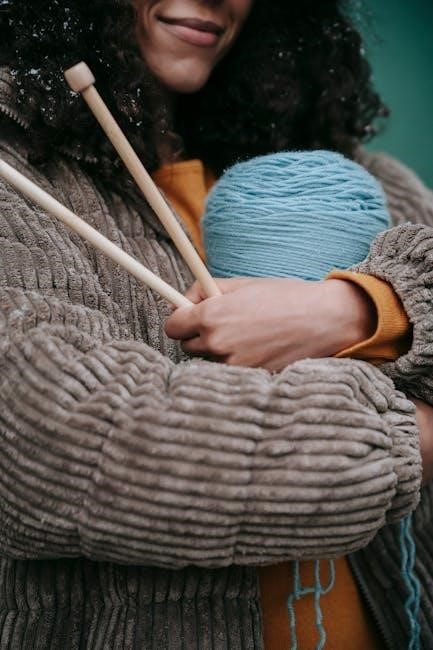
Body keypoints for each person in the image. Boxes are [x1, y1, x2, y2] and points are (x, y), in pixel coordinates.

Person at [0, 2, 432, 649]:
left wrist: (358, 309)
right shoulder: (15, 175)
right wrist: (417, 437)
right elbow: (55, 444)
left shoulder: (349, 174)